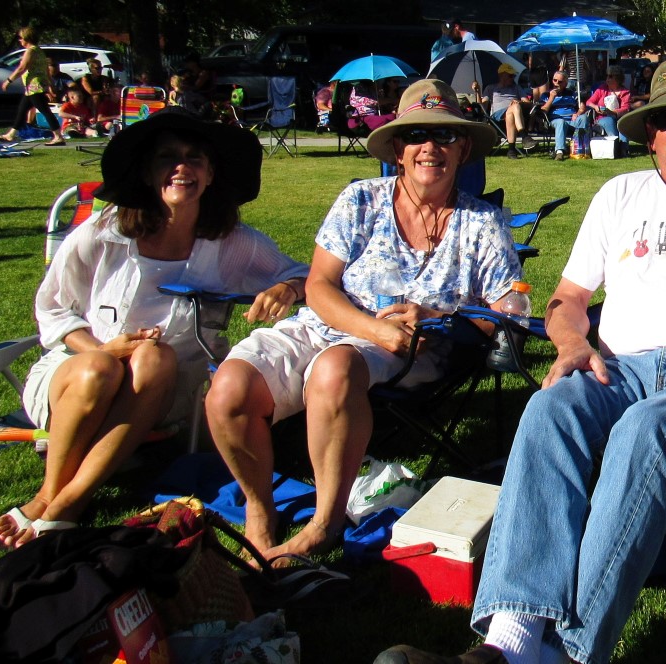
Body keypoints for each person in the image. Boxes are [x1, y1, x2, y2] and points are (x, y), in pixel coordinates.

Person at [377, 56, 666, 664]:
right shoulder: (620, 193)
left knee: (644, 433)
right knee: (548, 411)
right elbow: (567, 300)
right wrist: (572, 342)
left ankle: (569, 655)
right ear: (649, 133)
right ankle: (508, 642)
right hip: (617, 367)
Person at [205, 79, 521, 562]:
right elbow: (318, 286)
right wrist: (370, 327)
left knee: (335, 369)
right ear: (397, 148)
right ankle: (259, 507)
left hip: (417, 346)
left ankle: (325, 523)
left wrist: (436, 315)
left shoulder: (482, 222)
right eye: (416, 135)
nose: (430, 147)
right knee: (229, 387)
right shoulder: (360, 200)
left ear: (462, 150)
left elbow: (508, 312)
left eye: (445, 137)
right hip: (333, 323)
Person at [0, 109, 308, 549]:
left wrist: (288, 288)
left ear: (211, 173)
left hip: (164, 395)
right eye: (168, 158)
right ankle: (51, 497)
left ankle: (65, 504)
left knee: (156, 358)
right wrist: (102, 349)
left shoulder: (231, 243)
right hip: (77, 377)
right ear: (147, 171)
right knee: (99, 369)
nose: (183, 168)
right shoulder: (103, 234)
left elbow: (308, 275)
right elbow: (54, 310)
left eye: (195, 158)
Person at [0, 26, 65, 146]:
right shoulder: (39, 51)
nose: (20, 40)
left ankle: (58, 136)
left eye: (21, 38)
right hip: (32, 87)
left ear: (27, 38)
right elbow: (46, 70)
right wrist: (50, 84)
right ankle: (11, 135)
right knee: (22, 111)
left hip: (34, 86)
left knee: (45, 111)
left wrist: (8, 80)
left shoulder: (31, 51)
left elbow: (22, 67)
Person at [475, 63, 530, 159]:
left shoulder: (516, 87)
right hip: (497, 117)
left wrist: (519, 101)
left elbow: (527, 102)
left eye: (513, 76)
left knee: (511, 112)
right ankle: (524, 136)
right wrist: (477, 91)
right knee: (514, 107)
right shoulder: (491, 88)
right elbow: (482, 105)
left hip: (512, 116)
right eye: (510, 75)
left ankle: (511, 151)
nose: (512, 78)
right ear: (502, 75)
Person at [542, 70, 585, 161]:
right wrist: (551, 98)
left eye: (560, 82)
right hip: (555, 121)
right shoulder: (546, 95)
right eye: (554, 80)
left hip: (572, 120)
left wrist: (577, 114)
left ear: (565, 83)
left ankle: (582, 148)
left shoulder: (572, 94)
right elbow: (543, 110)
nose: (556, 83)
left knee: (583, 117)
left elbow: (582, 107)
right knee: (561, 122)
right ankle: (559, 152)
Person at [583, 65, 631, 145]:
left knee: (623, 123)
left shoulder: (625, 92)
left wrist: (611, 112)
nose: (607, 79)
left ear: (618, 78)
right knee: (609, 121)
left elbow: (626, 108)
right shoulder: (602, 89)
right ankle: (615, 145)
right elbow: (589, 102)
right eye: (607, 76)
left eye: (610, 76)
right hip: (602, 117)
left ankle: (624, 147)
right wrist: (596, 107)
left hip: (619, 117)